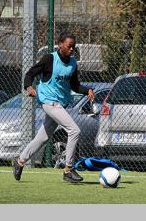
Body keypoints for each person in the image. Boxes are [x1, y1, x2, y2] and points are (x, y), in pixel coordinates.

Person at [12, 32, 95, 183]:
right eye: (69, 46)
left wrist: (87, 90)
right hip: (49, 102)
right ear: (60, 44)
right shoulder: (49, 59)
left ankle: (19, 161)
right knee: (74, 130)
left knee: (42, 137)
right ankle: (68, 169)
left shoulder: (72, 63)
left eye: (73, 47)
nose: (71, 49)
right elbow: (30, 73)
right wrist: (28, 87)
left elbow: (74, 85)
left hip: (60, 104)